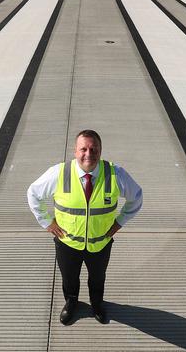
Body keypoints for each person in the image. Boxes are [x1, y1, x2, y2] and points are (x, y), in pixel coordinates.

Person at [27, 129, 143, 325]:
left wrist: (120, 222)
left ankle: (96, 304)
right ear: (75, 151)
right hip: (67, 243)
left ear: (100, 151)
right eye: (83, 149)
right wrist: (47, 222)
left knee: (98, 279)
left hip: (100, 244)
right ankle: (71, 302)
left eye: (93, 149)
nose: (88, 154)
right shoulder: (59, 172)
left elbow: (136, 197)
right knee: (69, 279)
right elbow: (33, 194)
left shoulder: (115, 174)